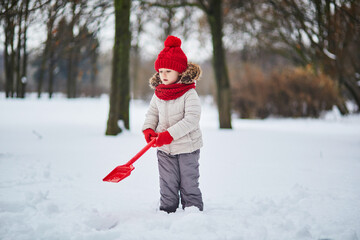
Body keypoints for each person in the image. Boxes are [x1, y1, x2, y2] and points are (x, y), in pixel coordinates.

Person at [142, 35, 204, 213]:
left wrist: (168, 135)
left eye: (168, 71)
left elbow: (191, 119)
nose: (163, 75)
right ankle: (167, 210)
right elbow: (152, 113)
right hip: (164, 149)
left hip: (187, 147)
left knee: (188, 181)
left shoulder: (189, 93)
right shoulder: (159, 93)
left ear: (179, 71)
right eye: (161, 71)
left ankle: (193, 211)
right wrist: (148, 129)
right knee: (167, 181)